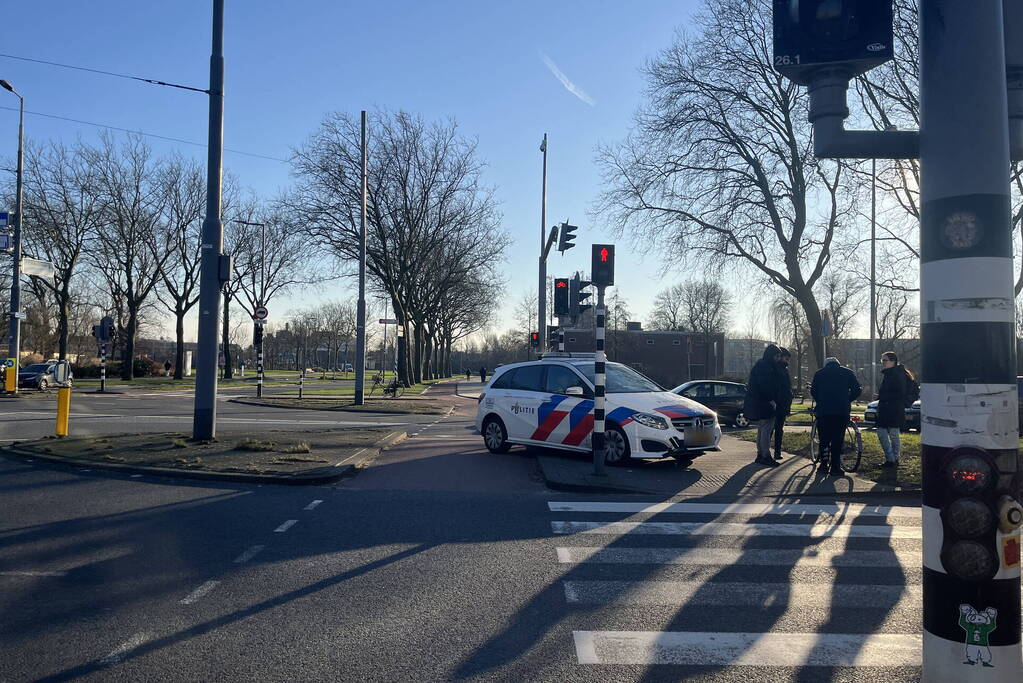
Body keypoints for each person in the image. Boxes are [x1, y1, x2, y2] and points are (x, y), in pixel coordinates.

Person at [810, 356, 862, 476]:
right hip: (841, 411)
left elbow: (813, 391)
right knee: (838, 439)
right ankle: (835, 467)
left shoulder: (819, 374)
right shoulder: (848, 373)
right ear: (838, 364)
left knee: (824, 438)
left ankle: (823, 465)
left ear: (826, 365)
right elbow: (857, 390)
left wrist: (821, 400)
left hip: (824, 412)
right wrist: (847, 399)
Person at [743, 344, 782, 468]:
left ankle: (760, 454)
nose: (778, 359)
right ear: (771, 355)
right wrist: (772, 400)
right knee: (766, 428)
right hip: (765, 403)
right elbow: (766, 386)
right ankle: (765, 455)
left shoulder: (760, 366)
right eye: (777, 356)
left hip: (758, 402)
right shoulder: (767, 367)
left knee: (762, 428)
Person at [876, 351, 911, 468]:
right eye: (882, 360)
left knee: (892, 434)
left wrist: (883, 397)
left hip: (893, 409)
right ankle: (892, 459)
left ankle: (893, 459)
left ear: (893, 361)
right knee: (885, 433)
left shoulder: (897, 374)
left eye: (885, 360)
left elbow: (899, 392)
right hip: (887, 408)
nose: (883, 363)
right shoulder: (889, 373)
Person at [773, 348, 794, 461]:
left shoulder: (783, 369)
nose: (788, 361)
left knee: (778, 429)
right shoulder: (779, 369)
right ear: (781, 357)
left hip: (782, 403)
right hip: (778, 403)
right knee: (775, 428)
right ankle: (774, 451)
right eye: (786, 358)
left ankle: (776, 451)